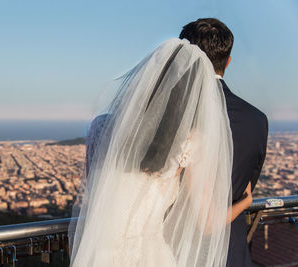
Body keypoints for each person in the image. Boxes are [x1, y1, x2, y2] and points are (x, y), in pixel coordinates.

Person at [68, 18, 265, 267]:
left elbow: (98, 194)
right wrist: (247, 201)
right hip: (150, 255)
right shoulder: (189, 141)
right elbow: (206, 222)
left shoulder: (100, 128)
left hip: (101, 254)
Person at [179, 18, 268, 267]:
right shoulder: (257, 120)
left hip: (181, 253)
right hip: (233, 253)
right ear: (228, 61)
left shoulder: (176, 117)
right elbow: (248, 185)